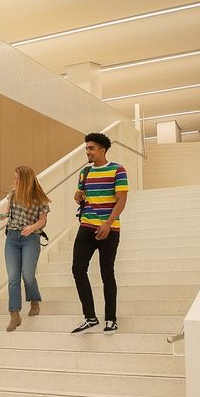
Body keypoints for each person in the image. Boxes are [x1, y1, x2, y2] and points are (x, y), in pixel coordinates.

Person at [70, 132, 128, 334]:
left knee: (107, 273)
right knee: (78, 269)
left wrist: (108, 224)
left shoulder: (117, 170)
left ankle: (111, 319)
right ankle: (90, 317)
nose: (88, 152)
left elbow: (121, 201)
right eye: (86, 148)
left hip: (109, 229)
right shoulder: (84, 173)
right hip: (86, 227)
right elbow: (82, 198)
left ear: (102, 150)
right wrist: (78, 197)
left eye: (91, 148)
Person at [0, 165, 50, 332]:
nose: (15, 181)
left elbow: (43, 221)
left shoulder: (40, 198)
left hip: (30, 239)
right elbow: (7, 213)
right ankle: (14, 314)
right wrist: (3, 216)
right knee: (13, 277)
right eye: (15, 178)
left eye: (18, 178)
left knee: (27, 275)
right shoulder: (13, 193)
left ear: (26, 179)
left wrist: (32, 228)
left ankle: (34, 301)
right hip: (12, 238)